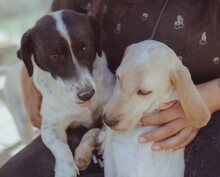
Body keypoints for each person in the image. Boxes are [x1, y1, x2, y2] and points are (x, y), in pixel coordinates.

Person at [0, 0, 220, 177]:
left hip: (201, 117)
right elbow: (52, 28)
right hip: (100, 115)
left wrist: (208, 96)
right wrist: (29, 72)